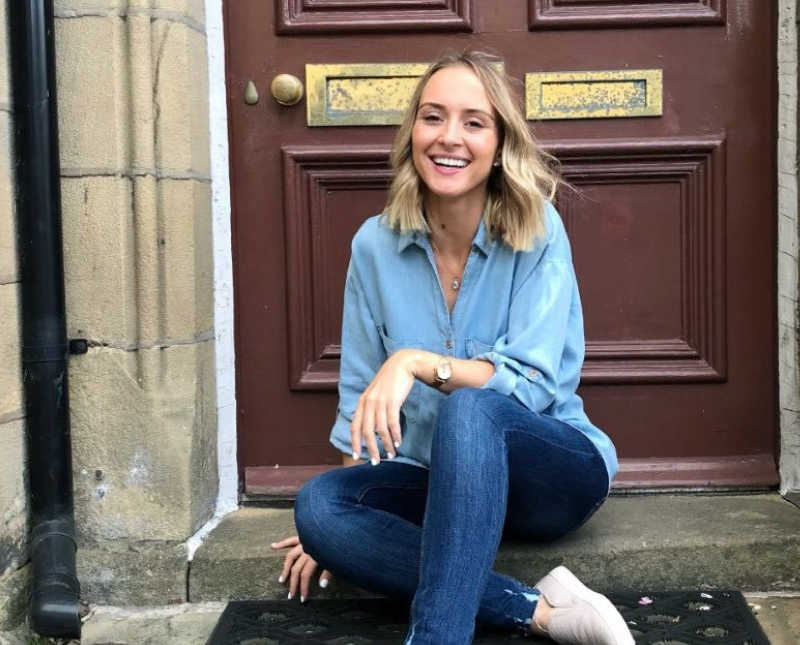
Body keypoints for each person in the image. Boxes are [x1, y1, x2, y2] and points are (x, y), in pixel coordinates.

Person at [270, 50, 633, 645]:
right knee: (318, 508)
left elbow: (537, 387)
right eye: (433, 117)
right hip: (442, 486)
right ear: (412, 131)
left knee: (472, 405)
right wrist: (341, 536)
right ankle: (540, 611)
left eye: (473, 121)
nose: (449, 138)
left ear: (499, 142)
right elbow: (361, 399)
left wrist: (414, 361)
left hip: (550, 478)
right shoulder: (374, 247)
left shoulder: (537, 229)